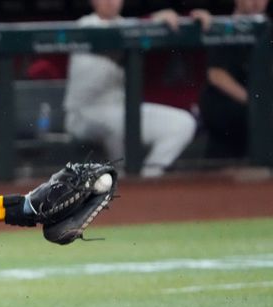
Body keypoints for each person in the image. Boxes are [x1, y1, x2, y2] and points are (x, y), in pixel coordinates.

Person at [63, 0, 209, 178]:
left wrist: (195, 20)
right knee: (116, 127)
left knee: (183, 123)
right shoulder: (85, 24)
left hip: (120, 110)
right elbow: (115, 36)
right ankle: (121, 179)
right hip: (84, 115)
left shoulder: (128, 24)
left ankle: (149, 175)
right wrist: (152, 19)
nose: (110, 1)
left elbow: (152, 26)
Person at [199, 0, 269, 159]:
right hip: (228, 106)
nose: (256, 2)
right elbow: (216, 75)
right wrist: (256, 102)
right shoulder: (224, 26)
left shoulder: (267, 27)